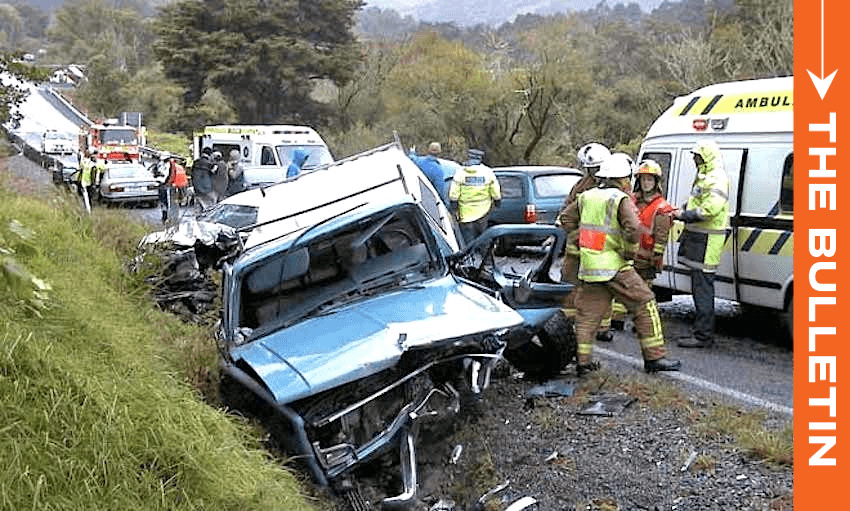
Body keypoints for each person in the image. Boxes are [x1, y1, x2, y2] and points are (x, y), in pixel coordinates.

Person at [560, 154, 681, 376]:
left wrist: (583, 239)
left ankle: (583, 364)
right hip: (615, 266)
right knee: (645, 303)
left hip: (590, 268)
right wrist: (628, 250)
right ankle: (655, 358)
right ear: (623, 178)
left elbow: (565, 219)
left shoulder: (586, 196)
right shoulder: (619, 198)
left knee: (587, 317)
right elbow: (634, 228)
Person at [673, 140, 730, 349]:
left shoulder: (715, 177)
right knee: (700, 287)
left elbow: (710, 209)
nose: (694, 159)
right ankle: (702, 333)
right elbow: (700, 202)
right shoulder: (706, 175)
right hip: (701, 240)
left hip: (707, 242)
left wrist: (683, 215)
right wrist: (683, 209)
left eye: (697, 155)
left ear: (706, 156)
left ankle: (703, 336)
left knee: (703, 289)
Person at [557, 142, 616, 342]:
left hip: (594, 246)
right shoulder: (583, 184)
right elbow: (567, 209)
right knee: (573, 282)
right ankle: (570, 321)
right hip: (582, 243)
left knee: (596, 286)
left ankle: (601, 326)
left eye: (592, 168)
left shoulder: (608, 186)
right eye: (589, 169)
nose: (590, 172)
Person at [632, 159, 675, 283]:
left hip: (645, 262)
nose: (646, 183)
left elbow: (661, 238)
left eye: (649, 179)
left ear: (656, 182)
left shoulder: (661, 207)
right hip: (630, 257)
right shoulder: (632, 202)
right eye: (643, 179)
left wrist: (655, 259)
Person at [448, 148, 501, 245]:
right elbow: (496, 192)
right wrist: (497, 202)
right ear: (480, 159)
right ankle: (486, 259)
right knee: (484, 241)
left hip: (465, 214)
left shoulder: (460, 172)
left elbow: (453, 194)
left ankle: (470, 259)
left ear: (468, 157)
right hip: (483, 212)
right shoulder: (488, 172)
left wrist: (454, 209)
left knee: (468, 243)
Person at [192, 147, 215, 211]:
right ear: (210, 154)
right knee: (209, 207)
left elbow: (192, 174)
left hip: (197, 188)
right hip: (206, 188)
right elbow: (213, 176)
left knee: (198, 206)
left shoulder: (196, 162)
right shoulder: (210, 164)